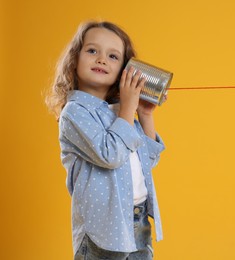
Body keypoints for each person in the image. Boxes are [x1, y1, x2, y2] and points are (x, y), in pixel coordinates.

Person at [45, 20, 166, 260]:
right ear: (74, 60)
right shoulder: (75, 111)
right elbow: (110, 155)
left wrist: (144, 114)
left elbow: (148, 162)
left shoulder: (118, 111)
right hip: (102, 226)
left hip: (137, 220)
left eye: (113, 56)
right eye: (92, 51)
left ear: (124, 70)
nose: (101, 59)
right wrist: (128, 108)